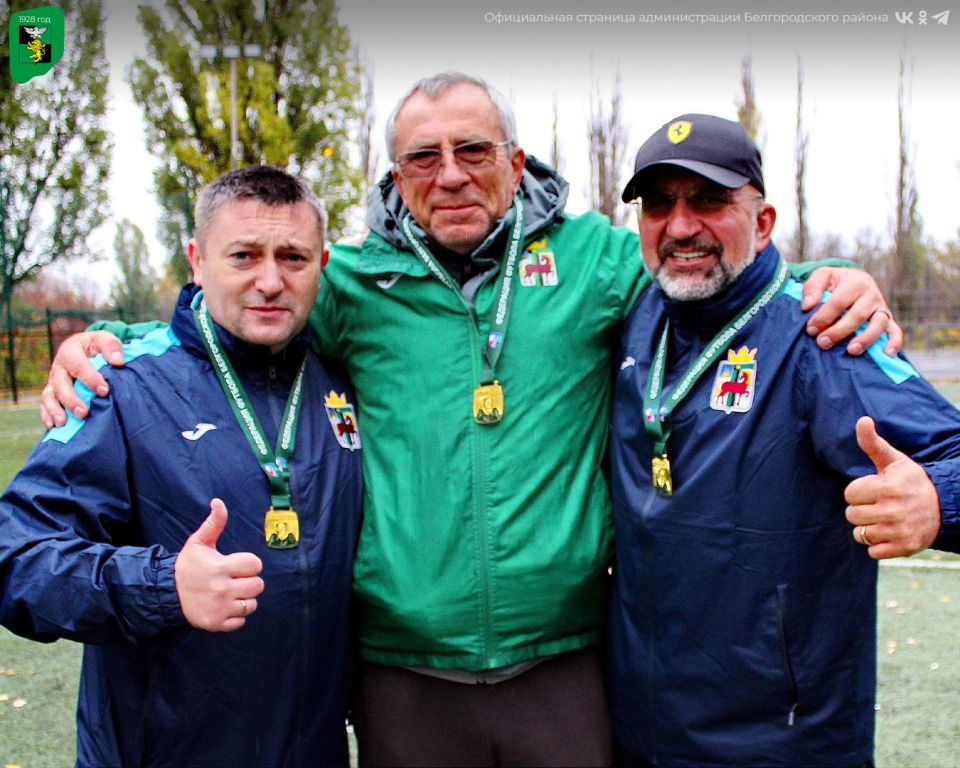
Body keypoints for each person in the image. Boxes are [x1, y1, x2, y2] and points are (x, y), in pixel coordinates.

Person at [39, 74, 900, 766]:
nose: (449, 174)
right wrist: (109, 342)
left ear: (515, 162)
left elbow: (706, 265)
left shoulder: (593, 260)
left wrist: (827, 278)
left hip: (562, 660)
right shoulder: (350, 282)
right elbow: (242, 311)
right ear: (395, 177)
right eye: (423, 157)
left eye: (473, 150)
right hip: (402, 671)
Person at [608, 113, 960, 766]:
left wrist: (939, 498)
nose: (680, 226)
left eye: (709, 200)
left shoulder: (825, 335)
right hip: (642, 735)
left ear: (763, 221)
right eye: (659, 204)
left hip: (781, 744)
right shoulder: (635, 317)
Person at [0, 166, 363, 767]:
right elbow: (16, 555)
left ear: (321, 264)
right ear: (197, 260)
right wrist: (163, 585)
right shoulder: (119, 387)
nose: (270, 280)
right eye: (243, 255)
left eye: (293, 258)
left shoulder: (341, 381)